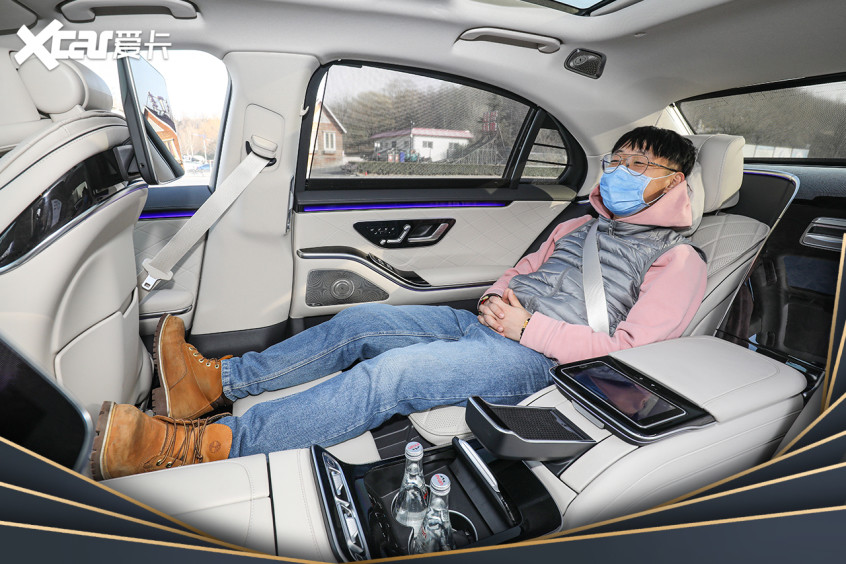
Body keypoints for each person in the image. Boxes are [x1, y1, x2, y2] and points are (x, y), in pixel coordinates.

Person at [90, 126, 707, 480]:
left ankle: (201, 447)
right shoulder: (580, 226)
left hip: (543, 361)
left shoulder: (679, 260)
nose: (620, 171)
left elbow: (633, 355)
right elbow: (523, 270)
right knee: (361, 321)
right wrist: (497, 297)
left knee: (390, 375)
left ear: (674, 182)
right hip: (489, 325)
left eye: (640, 164)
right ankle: (212, 382)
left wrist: (529, 330)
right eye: (617, 160)